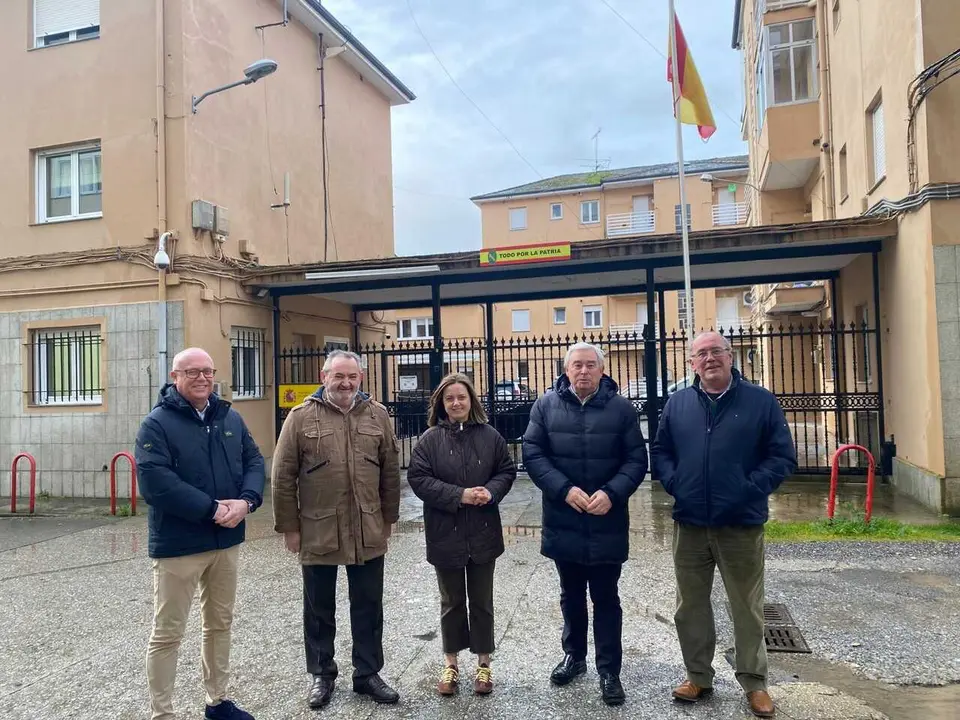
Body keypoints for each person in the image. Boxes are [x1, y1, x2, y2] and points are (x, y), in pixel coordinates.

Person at [651, 331, 797, 719]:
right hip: (691, 522)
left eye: (717, 351)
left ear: (731, 357)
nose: (710, 358)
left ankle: (754, 683)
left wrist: (750, 489)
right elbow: (661, 451)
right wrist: (675, 482)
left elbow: (781, 457)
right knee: (690, 606)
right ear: (690, 363)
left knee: (746, 607)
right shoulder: (679, 403)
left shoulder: (760, 401)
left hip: (741, 523)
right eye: (701, 354)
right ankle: (698, 676)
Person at [136, 347, 265, 720]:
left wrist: (247, 502)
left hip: (225, 542)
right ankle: (163, 713)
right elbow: (156, 482)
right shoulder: (157, 424)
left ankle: (218, 701)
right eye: (192, 372)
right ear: (175, 377)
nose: (202, 378)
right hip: (180, 545)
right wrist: (211, 509)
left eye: (207, 371)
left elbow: (254, 460)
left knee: (219, 623)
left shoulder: (229, 417)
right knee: (168, 633)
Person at [272, 349, 402, 710]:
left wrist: (388, 519)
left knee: (368, 605)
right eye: (338, 376)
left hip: (367, 525)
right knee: (318, 608)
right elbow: (283, 477)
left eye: (352, 377)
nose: (346, 383)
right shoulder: (299, 418)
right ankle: (321, 674)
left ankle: (368, 673)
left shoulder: (377, 415)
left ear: (360, 378)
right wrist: (289, 528)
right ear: (324, 375)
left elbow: (390, 472)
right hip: (318, 529)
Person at [522, 342, 648, 707]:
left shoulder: (621, 409)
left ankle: (610, 670)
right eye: (576, 365)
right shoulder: (545, 406)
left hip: (607, 517)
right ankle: (574, 657)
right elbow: (533, 453)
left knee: (606, 597)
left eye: (590, 365)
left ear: (601, 370)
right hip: (565, 516)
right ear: (566, 370)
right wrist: (563, 489)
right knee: (571, 595)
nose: (583, 371)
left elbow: (636, 459)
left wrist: (613, 492)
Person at [407, 373, 517, 697]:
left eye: (462, 397)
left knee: (482, 601)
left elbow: (506, 471)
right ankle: (451, 663)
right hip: (446, 534)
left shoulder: (490, 436)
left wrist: (491, 492)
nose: (456, 403)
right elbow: (419, 478)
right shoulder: (429, 440)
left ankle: (483, 662)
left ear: (472, 401)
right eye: (450, 398)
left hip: (483, 533)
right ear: (441, 403)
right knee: (451, 601)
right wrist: (460, 495)